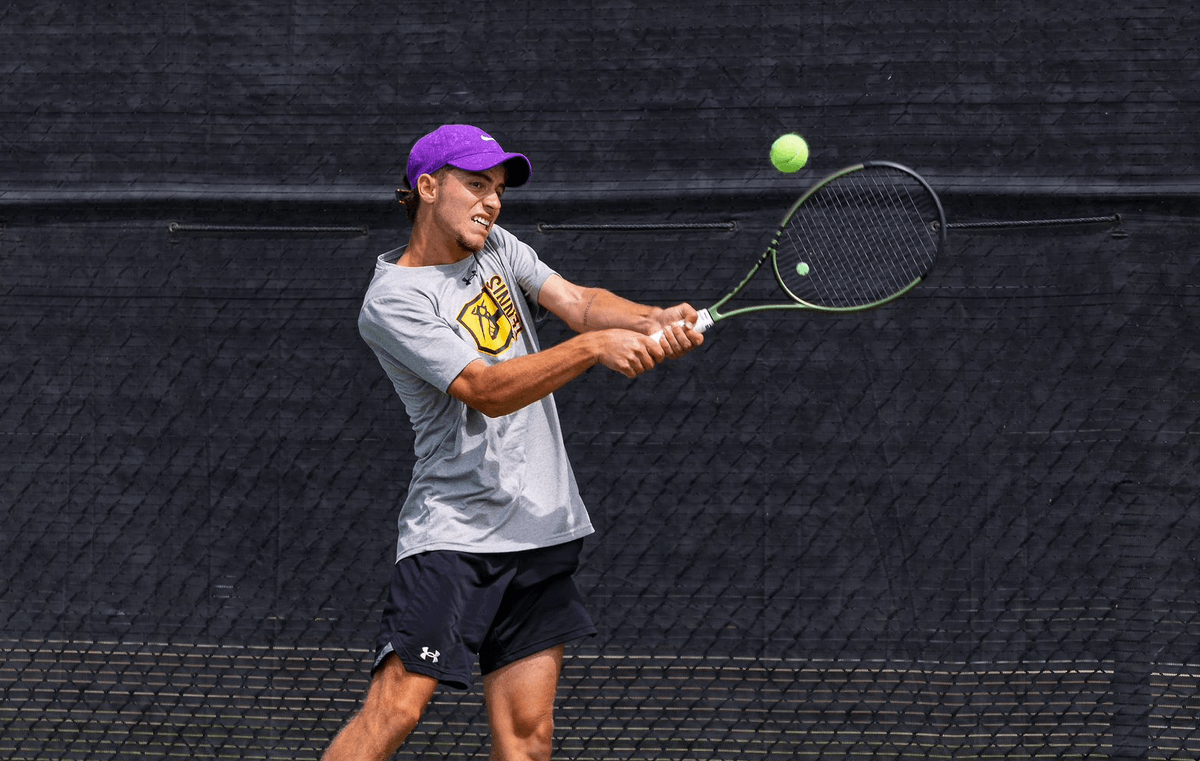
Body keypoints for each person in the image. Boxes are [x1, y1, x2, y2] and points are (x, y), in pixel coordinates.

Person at [321, 124, 703, 761]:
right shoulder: (392, 300)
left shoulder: (497, 247)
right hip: (455, 537)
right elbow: (484, 387)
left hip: (540, 529)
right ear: (427, 187)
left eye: (497, 189)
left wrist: (651, 318)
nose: (491, 202)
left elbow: (579, 302)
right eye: (476, 185)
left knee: (529, 739)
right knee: (396, 708)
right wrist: (590, 349)